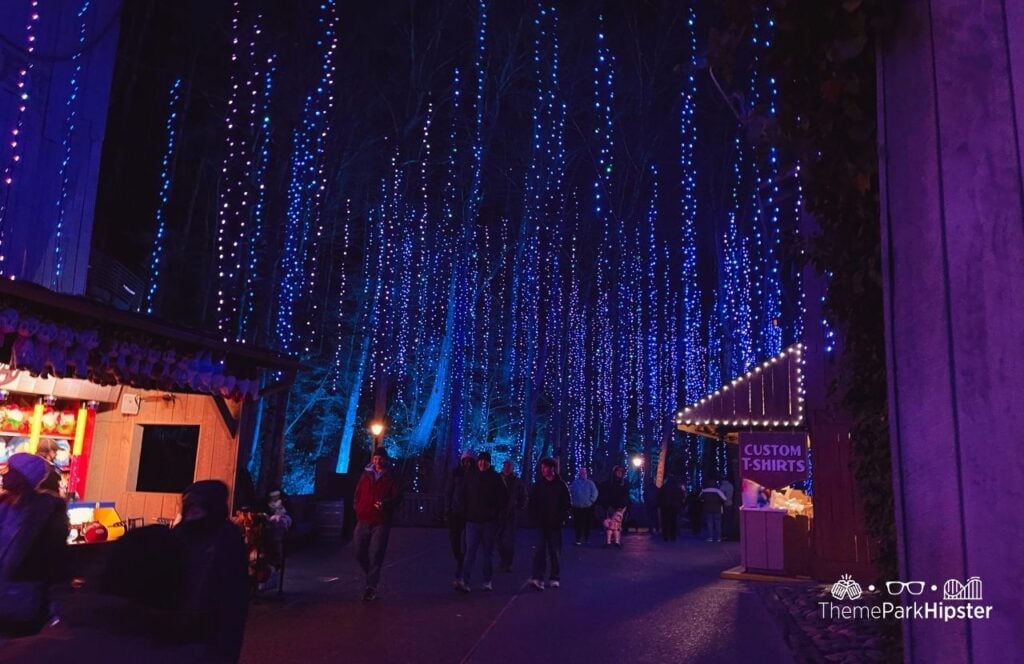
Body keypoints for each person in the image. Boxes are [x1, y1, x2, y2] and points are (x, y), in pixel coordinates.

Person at [172, 479, 250, 662]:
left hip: (215, 621)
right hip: (178, 618)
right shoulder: (180, 533)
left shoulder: (226, 536)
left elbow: (234, 587)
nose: (193, 509)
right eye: (190, 504)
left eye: (199, 504)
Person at [0, 453, 69, 637]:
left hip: (24, 598)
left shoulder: (47, 513)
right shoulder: (5, 506)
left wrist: (55, 606)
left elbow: (56, 562)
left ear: (22, 478)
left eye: (9, 471)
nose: (4, 476)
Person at [352, 447, 403, 601]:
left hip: (381, 521)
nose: (377, 461)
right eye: (375, 458)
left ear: (385, 460)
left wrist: (386, 504)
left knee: (376, 554)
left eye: (380, 458)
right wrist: (357, 507)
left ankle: (371, 587)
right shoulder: (365, 475)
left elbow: (398, 497)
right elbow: (358, 492)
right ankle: (371, 576)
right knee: (359, 552)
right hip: (364, 518)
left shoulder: (390, 477)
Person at [460, 451, 506, 592]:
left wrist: (496, 516)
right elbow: (462, 495)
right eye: (480, 461)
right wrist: (465, 511)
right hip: (472, 520)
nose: (482, 463)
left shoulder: (496, 478)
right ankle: (465, 580)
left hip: (489, 522)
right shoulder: (470, 476)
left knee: (488, 552)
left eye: (485, 461)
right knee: (470, 552)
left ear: (489, 463)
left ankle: (487, 580)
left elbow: (503, 499)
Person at [528, 458, 570, 590]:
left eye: (545, 467)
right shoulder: (539, 484)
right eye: (542, 468)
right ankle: (538, 577)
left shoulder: (560, 485)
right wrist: (534, 517)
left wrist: (561, 518)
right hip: (541, 523)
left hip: (554, 524)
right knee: (539, 551)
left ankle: (554, 577)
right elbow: (532, 501)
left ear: (552, 468)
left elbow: (566, 503)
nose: (543, 470)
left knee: (554, 552)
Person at [445, 450, 475, 592]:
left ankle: (461, 572)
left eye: (470, 460)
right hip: (456, 512)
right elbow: (449, 491)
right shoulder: (456, 473)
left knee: (467, 543)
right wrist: (447, 507)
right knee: (454, 541)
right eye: (465, 460)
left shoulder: (475, 475)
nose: (467, 463)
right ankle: (460, 560)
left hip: (469, 514)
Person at [496, 460, 526, 573]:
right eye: (506, 466)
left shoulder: (516, 481)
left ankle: (507, 563)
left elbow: (523, 495)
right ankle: (504, 559)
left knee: (508, 540)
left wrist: (519, 507)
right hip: (498, 513)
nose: (507, 468)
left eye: (509, 466)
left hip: (511, 514)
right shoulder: (497, 479)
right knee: (498, 540)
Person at [599, 465, 630, 548]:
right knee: (609, 524)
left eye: (621, 472)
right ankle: (609, 541)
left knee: (618, 525)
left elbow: (626, 496)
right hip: (610, 506)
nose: (619, 473)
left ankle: (617, 541)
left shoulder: (625, 483)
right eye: (618, 471)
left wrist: (623, 506)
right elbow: (605, 495)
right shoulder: (608, 483)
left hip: (621, 507)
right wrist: (608, 506)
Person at [569, 467, 598, 545]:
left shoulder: (590, 483)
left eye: (584, 473)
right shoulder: (575, 483)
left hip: (587, 507)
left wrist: (591, 501)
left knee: (587, 523)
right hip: (577, 507)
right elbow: (570, 493)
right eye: (581, 473)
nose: (583, 474)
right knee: (577, 523)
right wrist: (572, 502)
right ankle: (578, 539)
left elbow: (595, 493)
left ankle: (586, 538)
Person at [657, 478, 686, 542]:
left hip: (665, 506)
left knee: (665, 521)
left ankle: (665, 536)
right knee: (673, 521)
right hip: (674, 506)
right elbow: (682, 496)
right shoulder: (677, 488)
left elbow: (659, 496)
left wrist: (660, 504)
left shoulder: (664, 487)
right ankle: (672, 536)